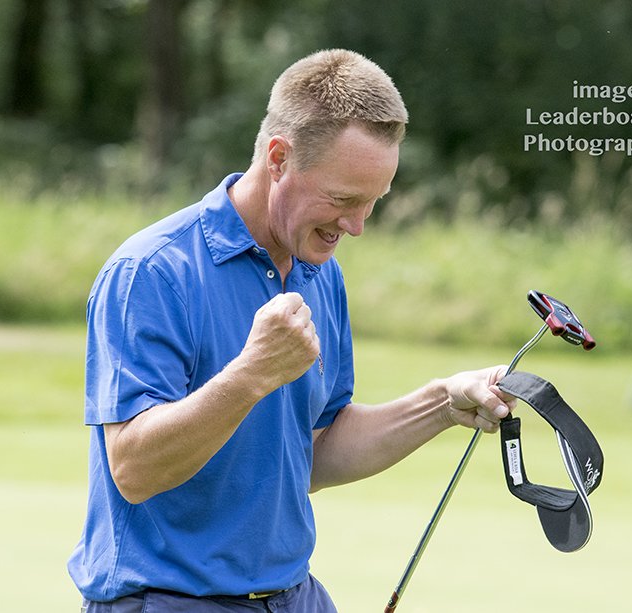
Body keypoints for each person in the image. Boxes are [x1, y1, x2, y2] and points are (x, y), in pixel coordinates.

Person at [68, 48, 515, 612]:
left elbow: (316, 451)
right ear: (278, 157)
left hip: (294, 598)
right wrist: (252, 374)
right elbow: (134, 468)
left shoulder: (318, 270)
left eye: (373, 204)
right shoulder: (154, 271)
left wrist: (442, 403)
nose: (355, 226)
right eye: (343, 199)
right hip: (170, 601)